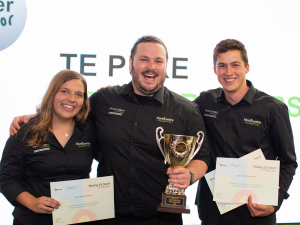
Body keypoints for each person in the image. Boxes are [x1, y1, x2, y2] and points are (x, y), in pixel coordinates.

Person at [9, 36, 211, 225]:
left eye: (158, 61)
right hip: (106, 214)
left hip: (163, 216)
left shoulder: (186, 110)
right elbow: (69, 110)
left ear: (167, 67)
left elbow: (203, 157)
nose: (151, 67)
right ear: (130, 63)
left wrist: (190, 175)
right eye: (144, 59)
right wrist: (35, 117)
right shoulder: (104, 100)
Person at [195, 39, 297, 225]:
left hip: (255, 213)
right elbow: (176, 113)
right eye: (222, 66)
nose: (228, 72)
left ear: (247, 67)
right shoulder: (204, 101)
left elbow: (288, 162)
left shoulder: (273, 108)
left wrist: (275, 201)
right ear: (214, 70)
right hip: (212, 212)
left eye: (235, 65)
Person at [0, 70, 97, 225]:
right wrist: (32, 202)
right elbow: (6, 179)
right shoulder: (25, 132)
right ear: (52, 94)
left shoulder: (90, 131)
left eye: (79, 94)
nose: (71, 99)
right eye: (64, 91)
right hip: (32, 220)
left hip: (78, 218)